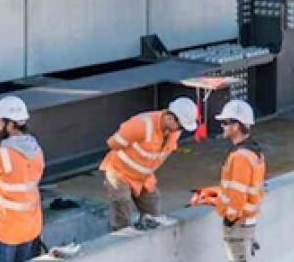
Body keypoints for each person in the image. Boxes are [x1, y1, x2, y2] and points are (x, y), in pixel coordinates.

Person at [100, 97, 198, 231]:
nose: (180, 130)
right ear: (170, 118)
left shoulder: (174, 131)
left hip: (144, 177)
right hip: (119, 172)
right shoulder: (141, 124)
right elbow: (113, 143)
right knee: (122, 208)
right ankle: (121, 242)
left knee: (152, 212)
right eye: (180, 126)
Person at [190, 100, 265, 261]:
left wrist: (229, 219)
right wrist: (211, 196)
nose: (222, 126)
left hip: (238, 224)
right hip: (246, 221)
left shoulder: (240, 157)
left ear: (236, 126)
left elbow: (238, 194)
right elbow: (240, 187)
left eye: (225, 122)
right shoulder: (253, 151)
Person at [0, 96, 44, 262]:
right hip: (30, 226)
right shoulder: (37, 151)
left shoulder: (1, 155)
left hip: (5, 228)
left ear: (10, 124)